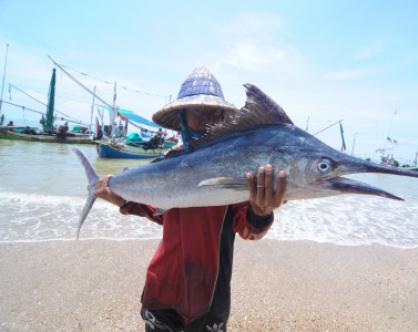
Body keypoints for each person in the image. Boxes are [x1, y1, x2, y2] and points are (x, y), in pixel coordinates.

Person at [94, 67, 286, 331]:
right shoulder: (168, 162)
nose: (207, 120)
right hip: (162, 287)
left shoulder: (236, 165)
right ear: (182, 118)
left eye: (213, 113)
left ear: (223, 118)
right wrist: (121, 200)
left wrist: (261, 210)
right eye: (197, 112)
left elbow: (248, 230)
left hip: (210, 295)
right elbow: (160, 211)